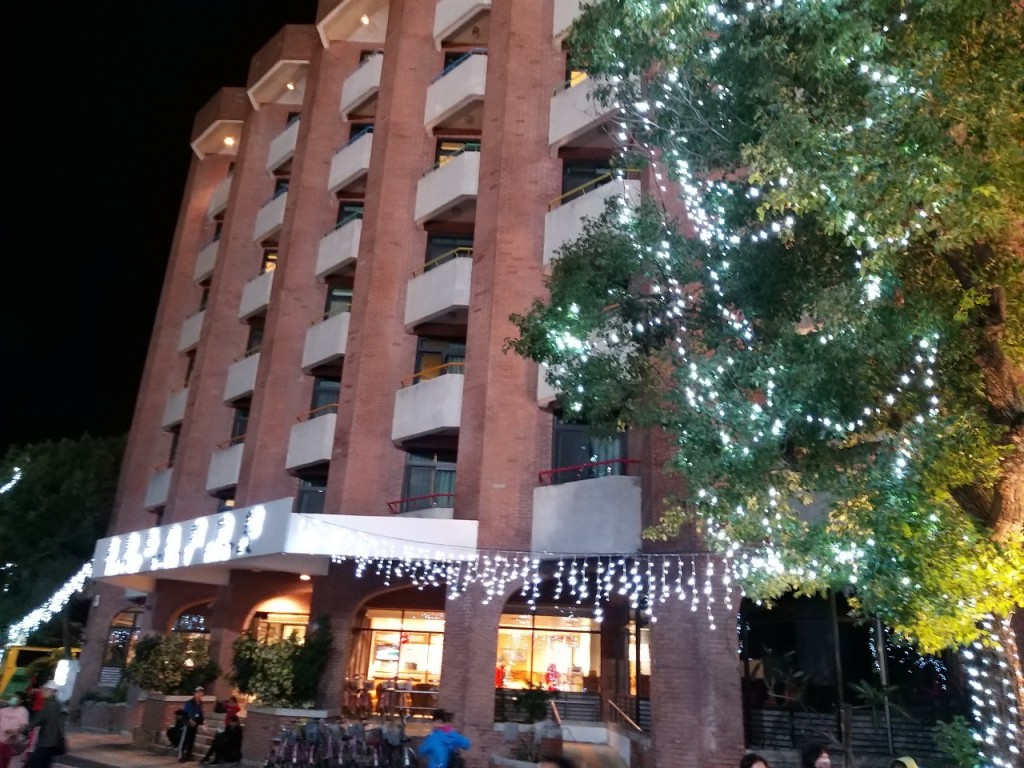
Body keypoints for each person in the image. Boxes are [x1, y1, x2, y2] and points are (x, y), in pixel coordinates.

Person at [23, 681, 64, 768]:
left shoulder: (48, 705)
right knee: (45, 764)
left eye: (45, 689)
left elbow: (38, 719)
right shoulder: (58, 704)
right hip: (54, 741)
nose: (42, 691)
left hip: (46, 741)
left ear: (51, 691)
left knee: (32, 764)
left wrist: (25, 729)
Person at [176, 685, 206, 763]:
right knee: (184, 740)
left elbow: (200, 715)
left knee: (191, 740)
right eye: (198, 692)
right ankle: (181, 756)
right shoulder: (189, 702)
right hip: (187, 724)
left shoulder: (200, 703)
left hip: (195, 724)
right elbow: (185, 713)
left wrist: (203, 723)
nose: (200, 694)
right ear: (195, 693)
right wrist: (190, 720)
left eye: (201, 692)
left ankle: (188, 755)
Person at [0, 692, 29, 768]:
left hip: (9, 741)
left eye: (16, 697)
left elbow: (23, 726)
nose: (13, 699)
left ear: (21, 700)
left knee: (4, 761)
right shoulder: (4, 710)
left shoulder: (23, 711)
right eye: (13, 697)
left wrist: (14, 733)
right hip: (1, 739)